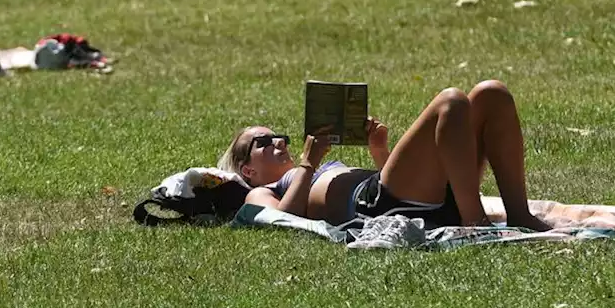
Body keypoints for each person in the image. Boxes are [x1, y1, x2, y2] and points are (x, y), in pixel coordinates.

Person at [216, 80, 554, 231]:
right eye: (262, 142)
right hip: (378, 204)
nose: (276, 142)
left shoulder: (305, 173)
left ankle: (519, 214)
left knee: (491, 94)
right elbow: (283, 221)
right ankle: (475, 222)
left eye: (278, 136)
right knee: (451, 102)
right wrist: (309, 163)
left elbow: (399, 185)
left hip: (400, 195)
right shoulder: (262, 192)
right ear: (247, 170)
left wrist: (379, 150)